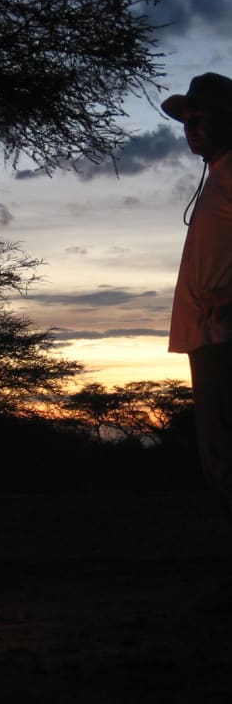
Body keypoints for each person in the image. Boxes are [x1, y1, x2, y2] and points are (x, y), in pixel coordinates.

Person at [162, 72, 232, 534]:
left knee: (227, 457)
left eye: (200, 117)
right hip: (208, 336)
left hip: (225, 336)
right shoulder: (218, 176)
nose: (191, 127)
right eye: (187, 119)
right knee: (219, 458)